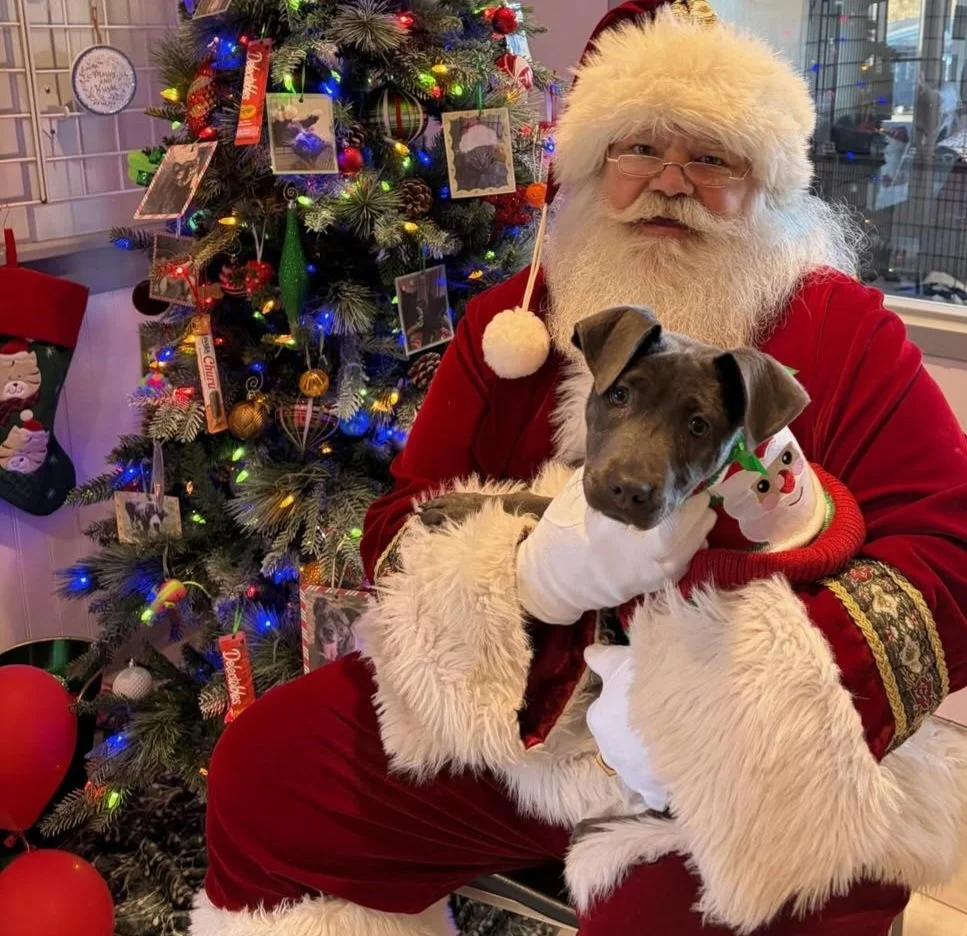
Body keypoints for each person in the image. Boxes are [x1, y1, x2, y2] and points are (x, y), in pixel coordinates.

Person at [190, 3, 967, 935]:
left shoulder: (842, 332)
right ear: (596, 165)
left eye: (711, 157)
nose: (668, 183)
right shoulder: (512, 324)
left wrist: (732, 704)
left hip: (753, 753)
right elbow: (397, 527)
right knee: (269, 771)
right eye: (638, 147)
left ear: (766, 184)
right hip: (527, 714)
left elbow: (949, 549)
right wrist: (530, 576)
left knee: (687, 912)